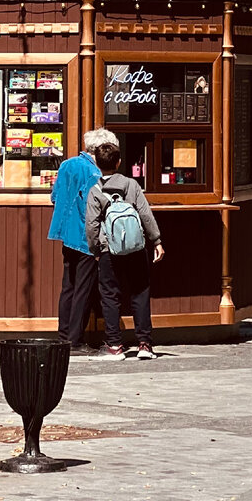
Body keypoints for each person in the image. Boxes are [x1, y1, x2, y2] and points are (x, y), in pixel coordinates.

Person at [86, 138, 165, 360]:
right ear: (119, 162)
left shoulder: (95, 191)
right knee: (140, 292)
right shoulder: (131, 185)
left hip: (109, 250)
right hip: (136, 248)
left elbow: (91, 225)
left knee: (110, 296)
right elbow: (145, 214)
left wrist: (95, 250)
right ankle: (145, 345)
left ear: (97, 164)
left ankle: (114, 346)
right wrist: (157, 241)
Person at [47, 127, 109, 353]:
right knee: (84, 289)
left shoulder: (67, 165)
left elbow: (54, 197)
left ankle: (64, 335)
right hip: (85, 237)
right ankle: (75, 340)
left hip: (66, 234)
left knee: (69, 287)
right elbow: (91, 209)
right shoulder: (94, 173)